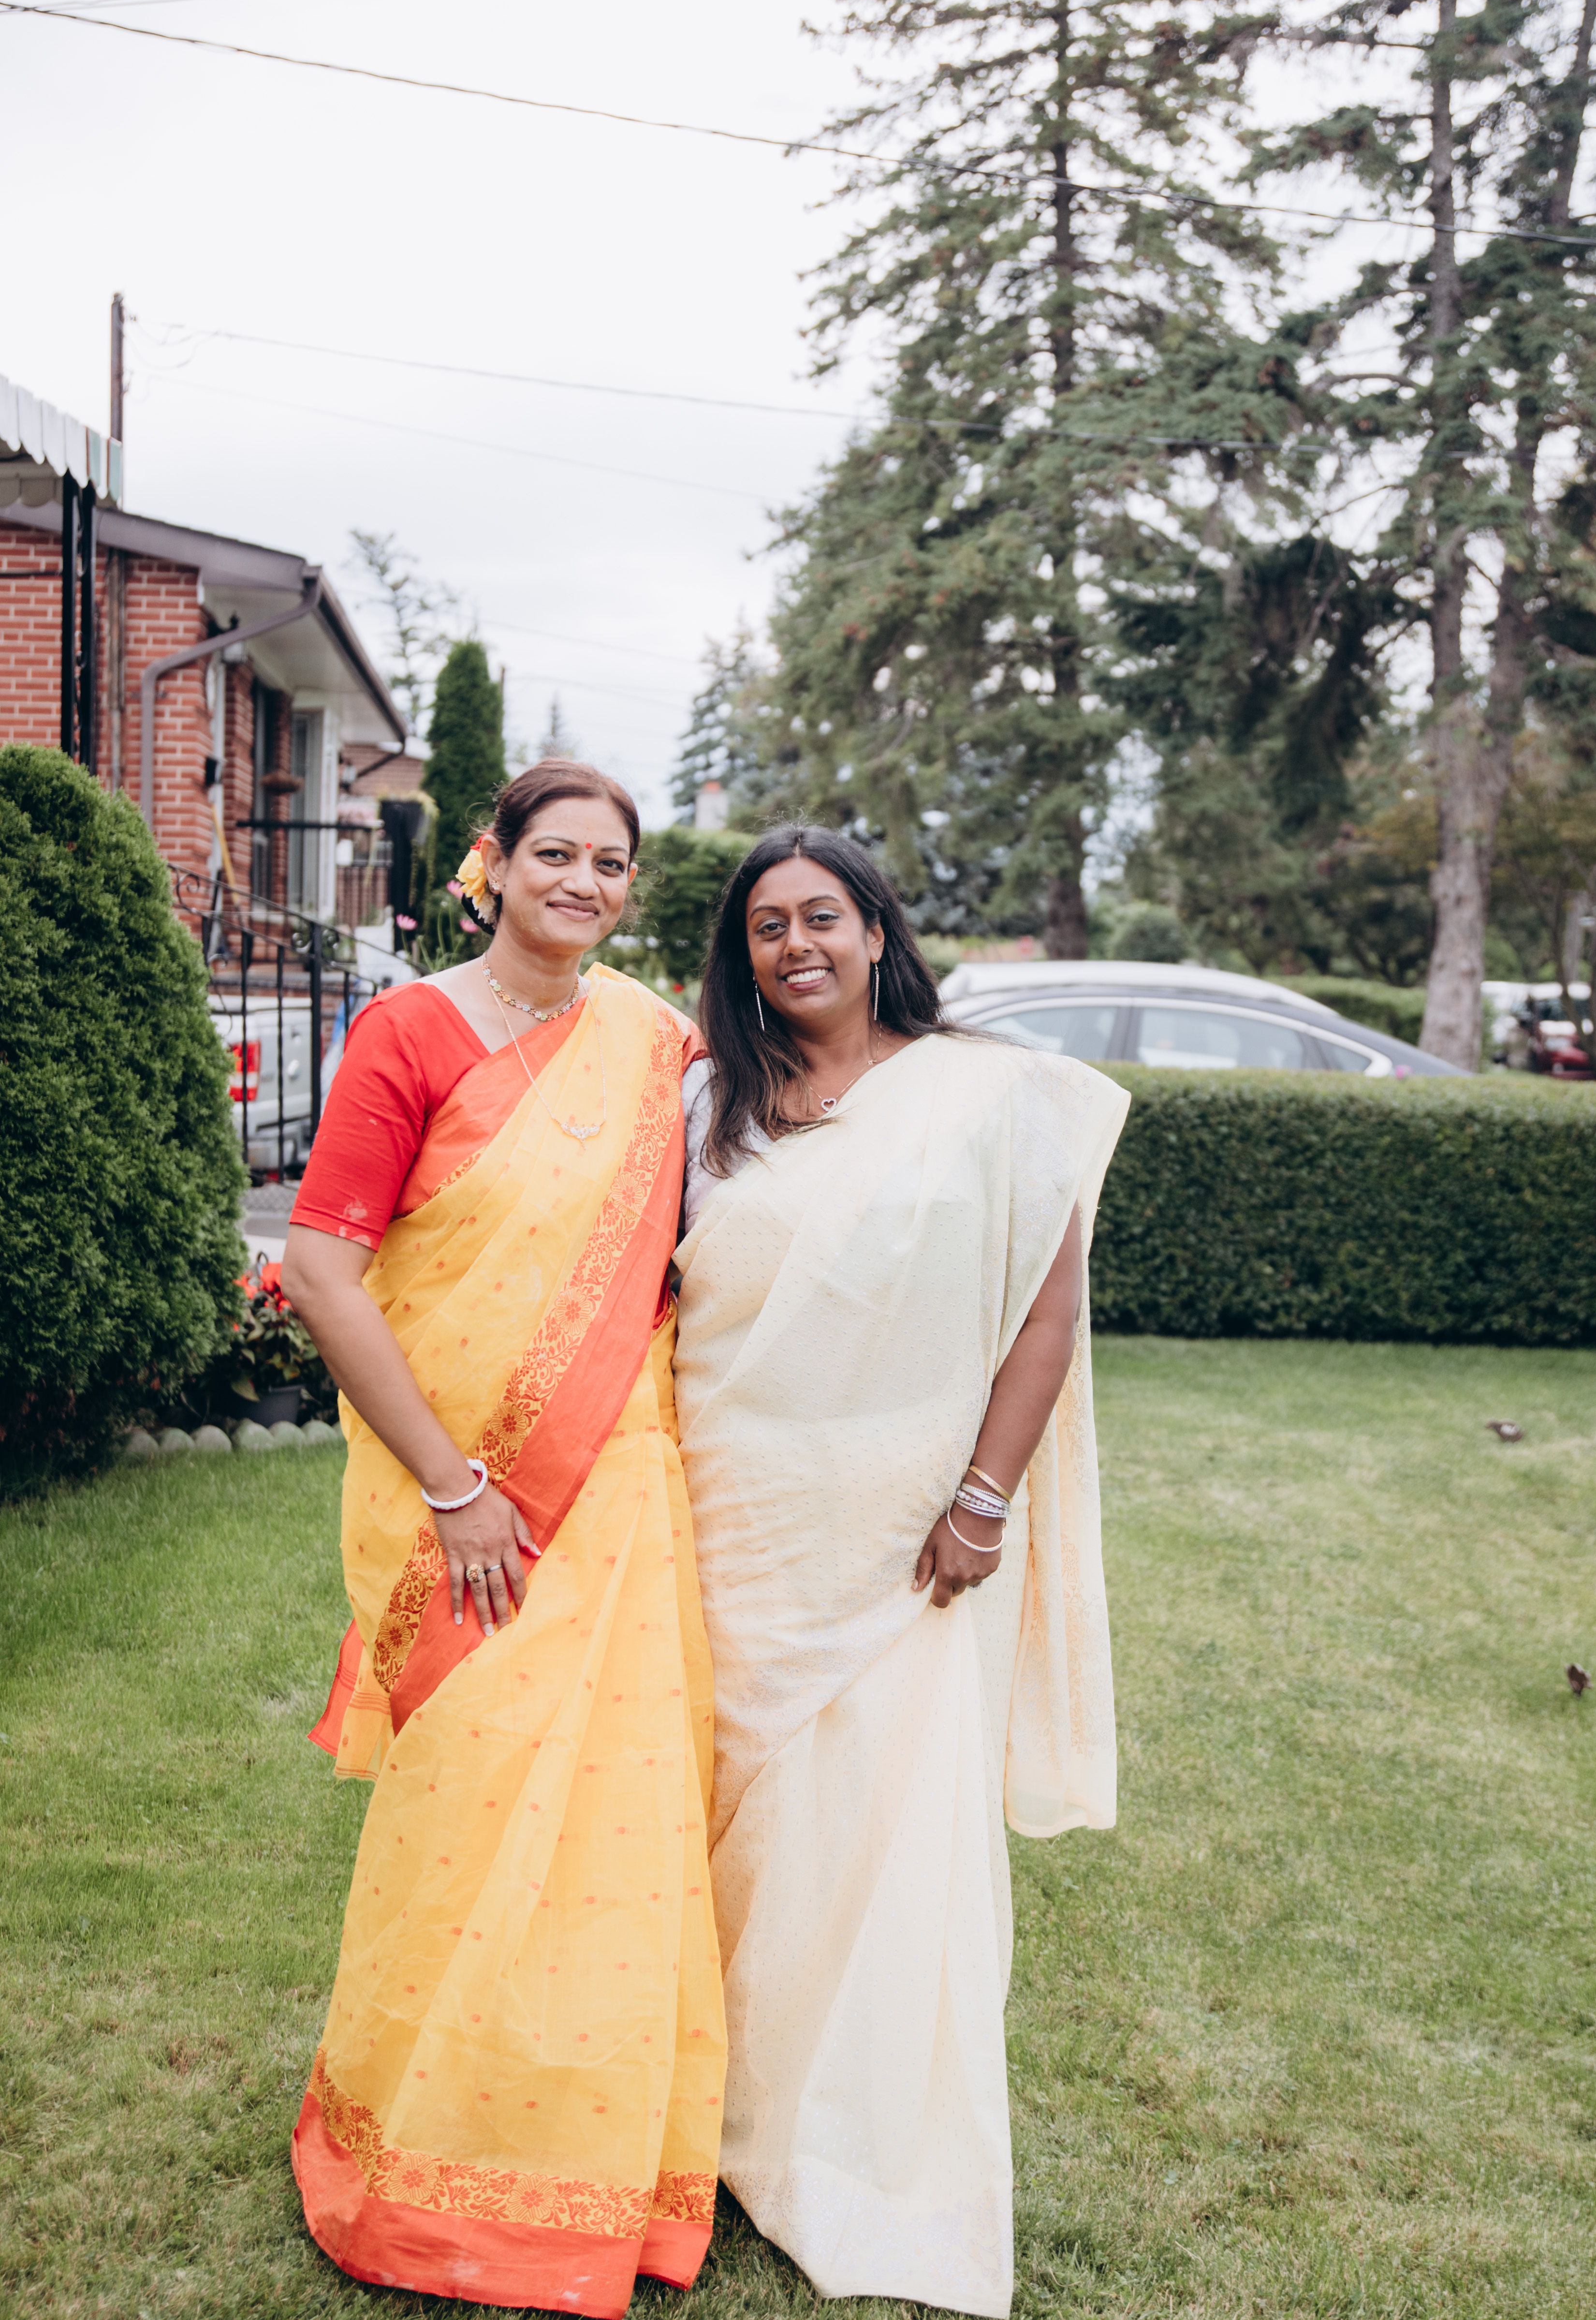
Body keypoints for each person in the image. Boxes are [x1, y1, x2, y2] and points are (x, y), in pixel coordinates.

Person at [281, 760, 724, 2317]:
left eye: (611, 862)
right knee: (466, 1806)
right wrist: (458, 1484)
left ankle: (591, 2157)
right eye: (557, 853)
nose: (584, 882)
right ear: (494, 861)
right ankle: (420, 2150)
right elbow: (322, 1270)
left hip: (624, 1481)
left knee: (618, 1823)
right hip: (464, 1505)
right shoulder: (409, 1031)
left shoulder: (657, 1042)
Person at [672, 828, 1128, 2320]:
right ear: (742, 956)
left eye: (823, 915)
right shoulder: (708, 1105)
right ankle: (716, 2112)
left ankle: (854, 2142)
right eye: (767, 926)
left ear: (878, 929)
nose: (796, 943)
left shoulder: (993, 1093)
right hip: (736, 1507)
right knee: (737, 1822)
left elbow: (1046, 1315)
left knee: (880, 1830)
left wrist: (985, 1497)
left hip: (911, 1528)